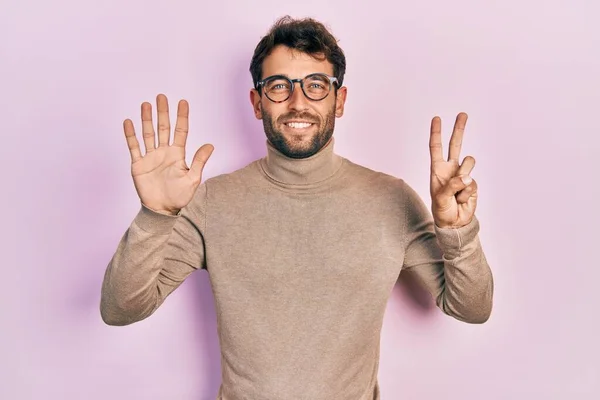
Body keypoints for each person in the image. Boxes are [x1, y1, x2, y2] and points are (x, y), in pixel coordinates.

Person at [100, 15, 494, 400]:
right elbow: (120, 309)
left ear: (339, 100)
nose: (298, 102)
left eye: (316, 85)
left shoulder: (391, 199)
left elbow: (471, 308)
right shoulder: (210, 202)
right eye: (278, 86)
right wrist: (156, 216)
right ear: (257, 102)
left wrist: (458, 233)